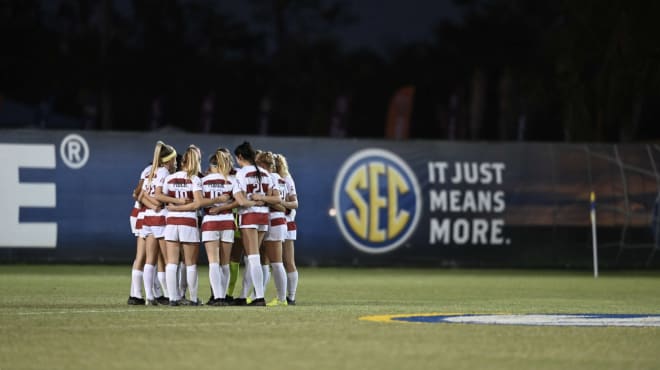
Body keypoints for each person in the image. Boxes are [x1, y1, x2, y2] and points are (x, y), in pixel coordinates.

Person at [230, 141, 274, 306]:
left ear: (240, 157)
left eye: (237, 159)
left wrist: (252, 203)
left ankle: (259, 297)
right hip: (264, 218)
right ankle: (243, 296)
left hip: (249, 217)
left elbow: (241, 201)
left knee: (253, 258)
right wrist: (262, 200)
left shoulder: (241, 174)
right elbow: (275, 198)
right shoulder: (265, 173)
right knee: (252, 259)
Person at [162, 146, 205, 306]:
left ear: (182, 162)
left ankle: (173, 298)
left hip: (172, 222)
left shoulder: (170, 178)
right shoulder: (194, 179)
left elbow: (166, 201)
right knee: (190, 263)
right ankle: (193, 299)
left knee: (172, 262)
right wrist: (183, 207)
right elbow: (198, 204)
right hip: (188, 222)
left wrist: (175, 207)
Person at [136, 141, 178, 305]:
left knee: (150, 260)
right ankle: (173, 297)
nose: (175, 162)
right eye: (174, 160)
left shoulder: (149, 171)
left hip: (147, 217)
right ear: (168, 161)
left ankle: (149, 297)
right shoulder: (164, 173)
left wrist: (152, 205)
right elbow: (160, 195)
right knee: (169, 260)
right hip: (160, 219)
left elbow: (140, 195)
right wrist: (171, 202)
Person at [200, 148, 239, 306]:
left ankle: (217, 297)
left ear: (211, 164)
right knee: (225, 263)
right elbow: (239, 201)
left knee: (213, 263)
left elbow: (197, 202)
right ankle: (223, 296)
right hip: (228, 221)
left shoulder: (203, 181)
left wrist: (214, 205)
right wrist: (224, 205)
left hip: (210, 221)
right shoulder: (231, 180)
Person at [254, 151, 287, 306]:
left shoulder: (271, 177)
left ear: (262, 164)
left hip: (274, 220)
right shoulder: (280, 178)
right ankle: (257, 294)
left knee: (276, 262)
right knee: (265, 262)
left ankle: (282, 299)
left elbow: (279, 205)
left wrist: (261, 198)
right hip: (274, 221)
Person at [275, 153, 299, 305]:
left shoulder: (286, 178)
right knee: (278, 261)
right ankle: (287, 296)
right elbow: (292, 204)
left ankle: (290, 296)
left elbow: (295, 204)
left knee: (286, 261)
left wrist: (281, 205)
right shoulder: (273, 177)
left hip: (284, 222)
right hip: (279, 221)